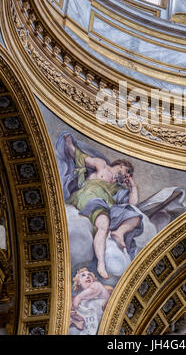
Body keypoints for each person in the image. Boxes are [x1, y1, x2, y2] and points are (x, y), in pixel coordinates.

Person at [64, 134, 143, 279]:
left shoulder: (118, 188)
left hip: (106, 206)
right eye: (127, 172)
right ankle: (101, 263)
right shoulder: (102, 165)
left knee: (136, 217)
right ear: (121, 165)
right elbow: (80, 157)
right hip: (89, 196)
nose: (127, 176)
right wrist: (69, 144)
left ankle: (119, 232)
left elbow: (133, 204)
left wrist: (133, 186)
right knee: (104, 223)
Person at [70, 267, 113, 333]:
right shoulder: (81, 302)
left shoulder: (97, 285)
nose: (87, 276)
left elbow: (93, 290)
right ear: (78, 282)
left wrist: (78, 297)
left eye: (89, 275)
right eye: (83, 275)